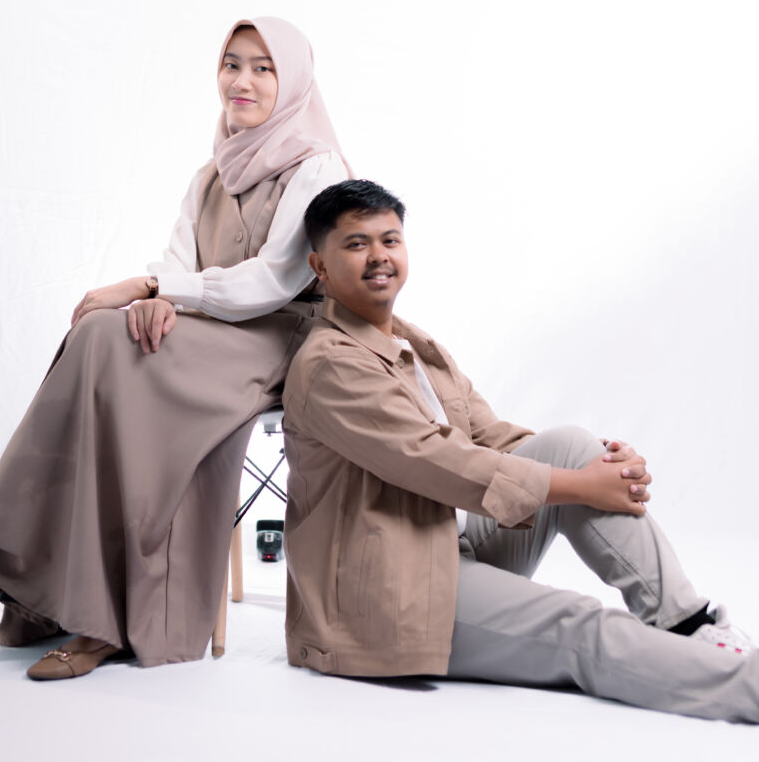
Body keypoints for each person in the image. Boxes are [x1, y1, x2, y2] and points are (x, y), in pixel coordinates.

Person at [281, 178, 759, 723]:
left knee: (571, 445)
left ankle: (688, 624)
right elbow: (439, 462)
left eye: (390, 240)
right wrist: (582, 486)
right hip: (387, 595)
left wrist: (605, 466)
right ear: (320, 266)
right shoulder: (331, 364)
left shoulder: (415, 345)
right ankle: (746, 686)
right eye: (356, 243)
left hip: (441, 549)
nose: (378, 256)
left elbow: (489, 436)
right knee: (582, 626)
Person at [0, 16, 348, 680]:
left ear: (293, 82)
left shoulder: (317, 166)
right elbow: (179, 257)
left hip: (277, 336)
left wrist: (156, 288)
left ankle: (86, 606)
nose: (243, 80)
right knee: (100, 334)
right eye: (232, 63)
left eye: (264, 68)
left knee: (121, 349)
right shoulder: (212, 171)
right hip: (211, 327)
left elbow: (272, 280)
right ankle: (22, 565)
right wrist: (160, 297)